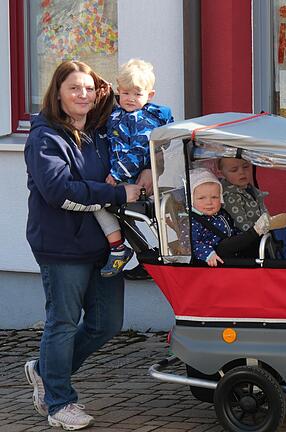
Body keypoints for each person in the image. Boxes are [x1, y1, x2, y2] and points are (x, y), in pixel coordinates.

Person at [23, 60, 142, 430]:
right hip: (61, 246)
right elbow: (59, 193)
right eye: (74, 87)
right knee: (63, 322)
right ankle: (59, 403)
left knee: (107, 323)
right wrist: (116, 193)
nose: (83, 94)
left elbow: (117, 97)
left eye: (89, 88)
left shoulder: (99, 130)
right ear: (57, 92)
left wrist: (103, 84)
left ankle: (45, 370)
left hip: (103, 245)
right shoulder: (45, 137)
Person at [93, 59, 174, 277]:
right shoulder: (118, 114)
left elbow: (139, 151)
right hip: (125, 176)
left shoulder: (144, 120)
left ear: (150, 95)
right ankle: (145, 256)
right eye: (125, 93)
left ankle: (120, 248)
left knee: (100, 203)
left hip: (132, 178)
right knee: (123, 216)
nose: (130, 99)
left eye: (137, 94)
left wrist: (116, 173)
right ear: (118, 91)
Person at [188, 168, 273, 266]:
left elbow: (231, 230)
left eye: (215, 197)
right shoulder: (193, 221)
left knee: (250, 243)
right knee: (225, 246)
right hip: (214, 256)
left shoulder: (221, 214)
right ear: (191, 200)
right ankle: (255, 231)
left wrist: (241, 236)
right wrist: (208, 254)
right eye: (201, 198)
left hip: (231, 251)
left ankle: (257, 237)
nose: (209, 202)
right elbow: (191, 244)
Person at [218, 157, 286, 232]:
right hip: (249, 239)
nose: (242, 172)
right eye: (234, 170)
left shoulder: (250, 189)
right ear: (221, 173)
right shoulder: (230, 196)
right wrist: (269, 226)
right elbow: (242, 225)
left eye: (246, 167)